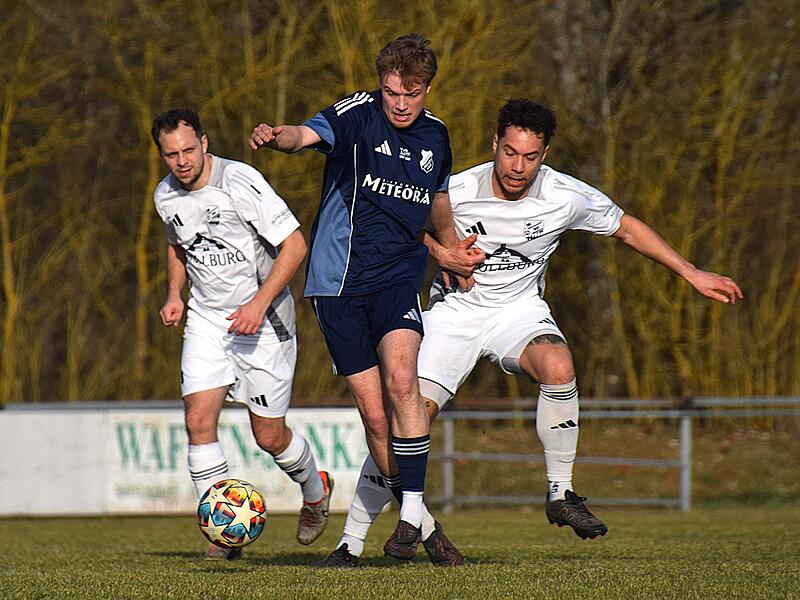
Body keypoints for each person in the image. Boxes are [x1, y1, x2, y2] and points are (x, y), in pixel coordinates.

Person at [320, 98, 744, 566]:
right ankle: (351, 541)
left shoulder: (565, 195)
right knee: (408, 418)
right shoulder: (455, 189)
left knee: (558, 363)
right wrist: (442, 253)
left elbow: (626, 228)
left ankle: (560, 493)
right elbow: (399, 225)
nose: (518, 167)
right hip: (454, 313)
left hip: (518, 312)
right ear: (494, 144)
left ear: (544, 154)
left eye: (531, 156)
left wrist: (691, 273)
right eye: (509, 152)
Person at [249, 34, 483, 564]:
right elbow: (304, 135)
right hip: (336, 284)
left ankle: (408, 514)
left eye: (412, 93)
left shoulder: (437, 136)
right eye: (392, 92)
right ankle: (425, 529)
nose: (400, 104)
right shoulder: (358, 112)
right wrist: (277, 135)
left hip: (398, 276)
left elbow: (437, 200)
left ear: (427, 89)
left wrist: (449, 252)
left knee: (404, 381)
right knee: (376, 419)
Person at [151, 108, 333, 561]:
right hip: (208, 319)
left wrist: (256, 305)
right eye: (171, 154)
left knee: (268, 437)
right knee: (197, 421)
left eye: (189, 150)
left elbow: (296, 246)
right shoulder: (165, 196)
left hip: (264, 321)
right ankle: (222, 534)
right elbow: (178, 244)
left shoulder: (241, 182)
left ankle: (315, 489)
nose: (182, 161)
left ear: (206, 143)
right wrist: (175, 292)